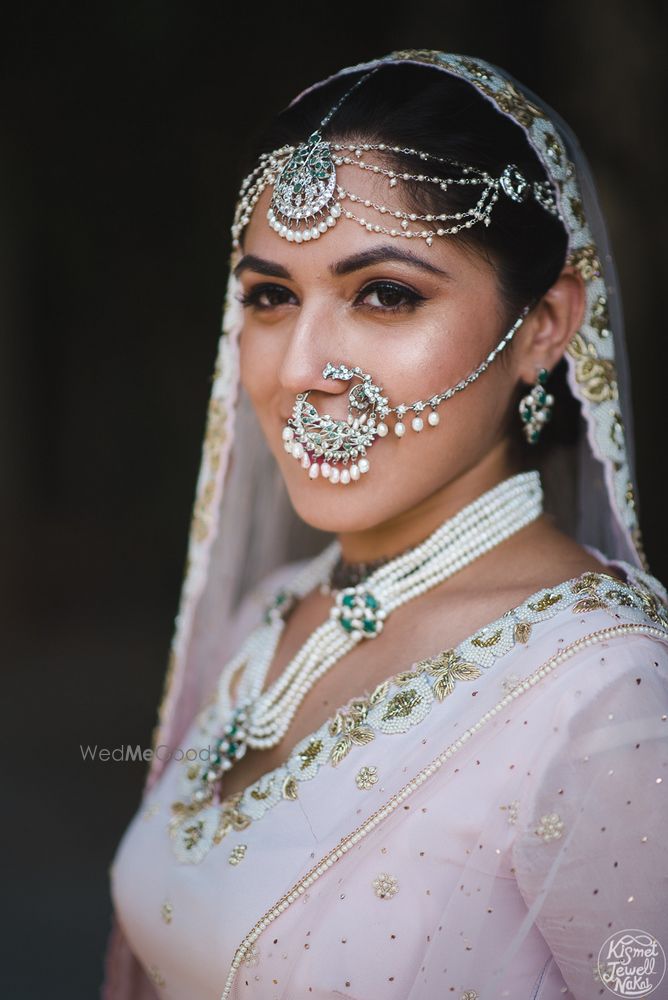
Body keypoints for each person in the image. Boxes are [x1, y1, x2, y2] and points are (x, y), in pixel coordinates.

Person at [103, 50, 668, 1000]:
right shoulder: (270, 617)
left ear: (543, 325)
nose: (299, 370)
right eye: (271, 297)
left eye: (386, 295)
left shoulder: (608, 701)